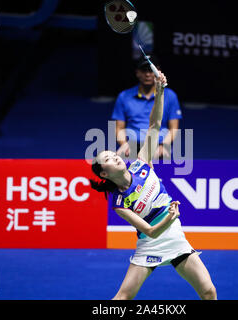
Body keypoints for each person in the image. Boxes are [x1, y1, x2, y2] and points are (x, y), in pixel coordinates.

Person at [90, 71, 216, 300]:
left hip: (175, 238)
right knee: (123, 297)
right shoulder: (119, 203)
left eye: (112, 154)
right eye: (107, 159)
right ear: (105, 173)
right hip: (150, 245)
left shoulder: (141, 164)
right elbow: (149, 231)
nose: (115, 157)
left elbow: (155, 124)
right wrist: (171, 216)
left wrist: (160, 92)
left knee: (208, 292)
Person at [112, 55, 182, 160]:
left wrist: (164, 145)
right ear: (137, 73)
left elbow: (174, 128)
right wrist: (124, 144)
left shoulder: (170, 96)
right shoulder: (124, 96)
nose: (148, 74)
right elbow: (119, 128)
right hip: (132, 147)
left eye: (151, 70)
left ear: (158, 72)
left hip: (158, 146)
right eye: (144, 70)